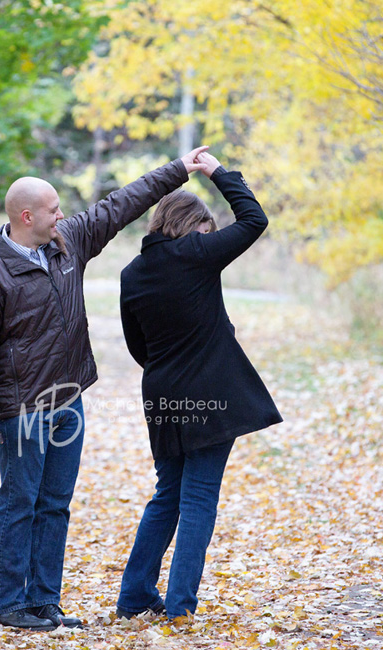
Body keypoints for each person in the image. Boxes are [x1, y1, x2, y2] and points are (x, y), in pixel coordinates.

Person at [0, 147, 211, 630]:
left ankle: (44, 602)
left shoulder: (68, 241)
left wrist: (180, 169)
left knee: (55, 505)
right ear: (26, 216)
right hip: (22, 411)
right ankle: (7, 604)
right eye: (53, 209)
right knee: (19, 504)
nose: (63, 215)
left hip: (68, 402)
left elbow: (121, 203)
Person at [115, 152, 283, 621]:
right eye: (206, 231)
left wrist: (168, 370)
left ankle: (133, 597)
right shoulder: (197, 253)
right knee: (198, 498)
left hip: (162, 394)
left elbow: (136, 344)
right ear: (192, 228)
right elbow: (254, 218)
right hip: (210, 395)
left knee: (167, 493)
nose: (211, 240)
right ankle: (179, 606)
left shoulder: (132, 273)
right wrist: (217, 173)